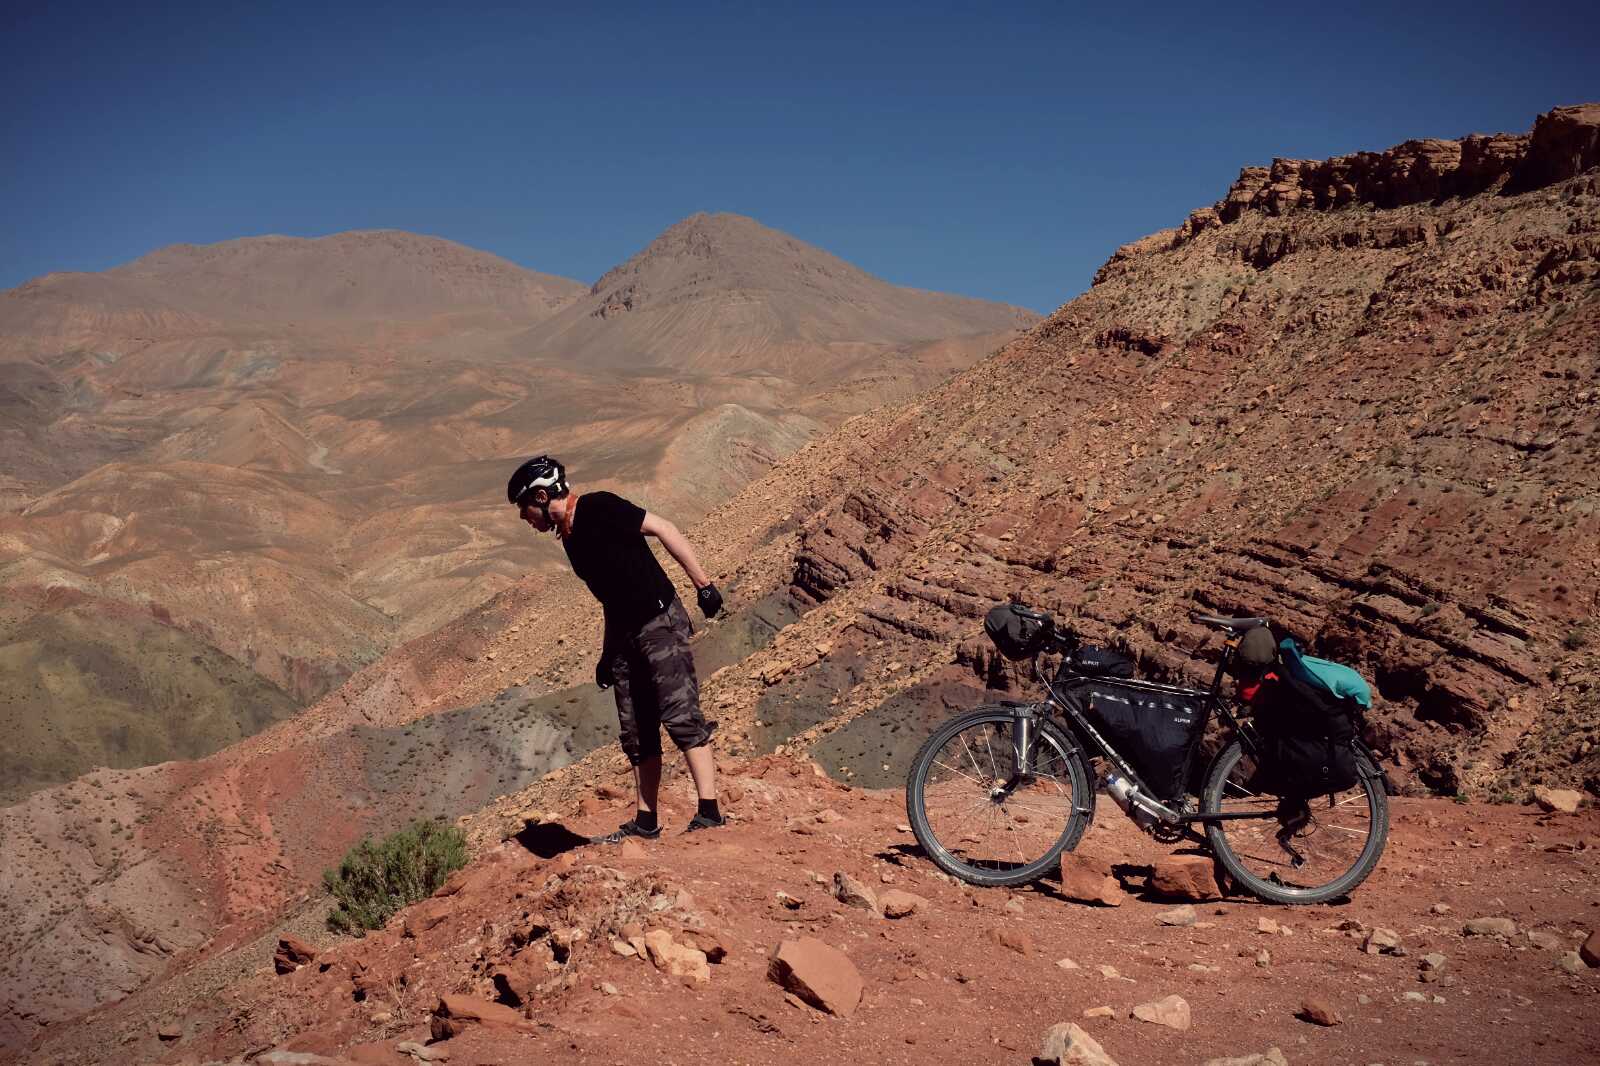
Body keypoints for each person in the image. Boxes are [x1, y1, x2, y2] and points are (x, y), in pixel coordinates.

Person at [507, 455, 726, 841]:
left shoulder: (599, 507)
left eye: (525, 511)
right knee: (637, 729)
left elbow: (663, 527)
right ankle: (646, 822)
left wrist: (703, 585)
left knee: (679, 713)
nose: (527, 521)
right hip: (626, 635)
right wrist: (608, 654)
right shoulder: (571, 539)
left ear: (541, 497)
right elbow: (611, 598)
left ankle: (709, 812)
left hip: (659, 622)